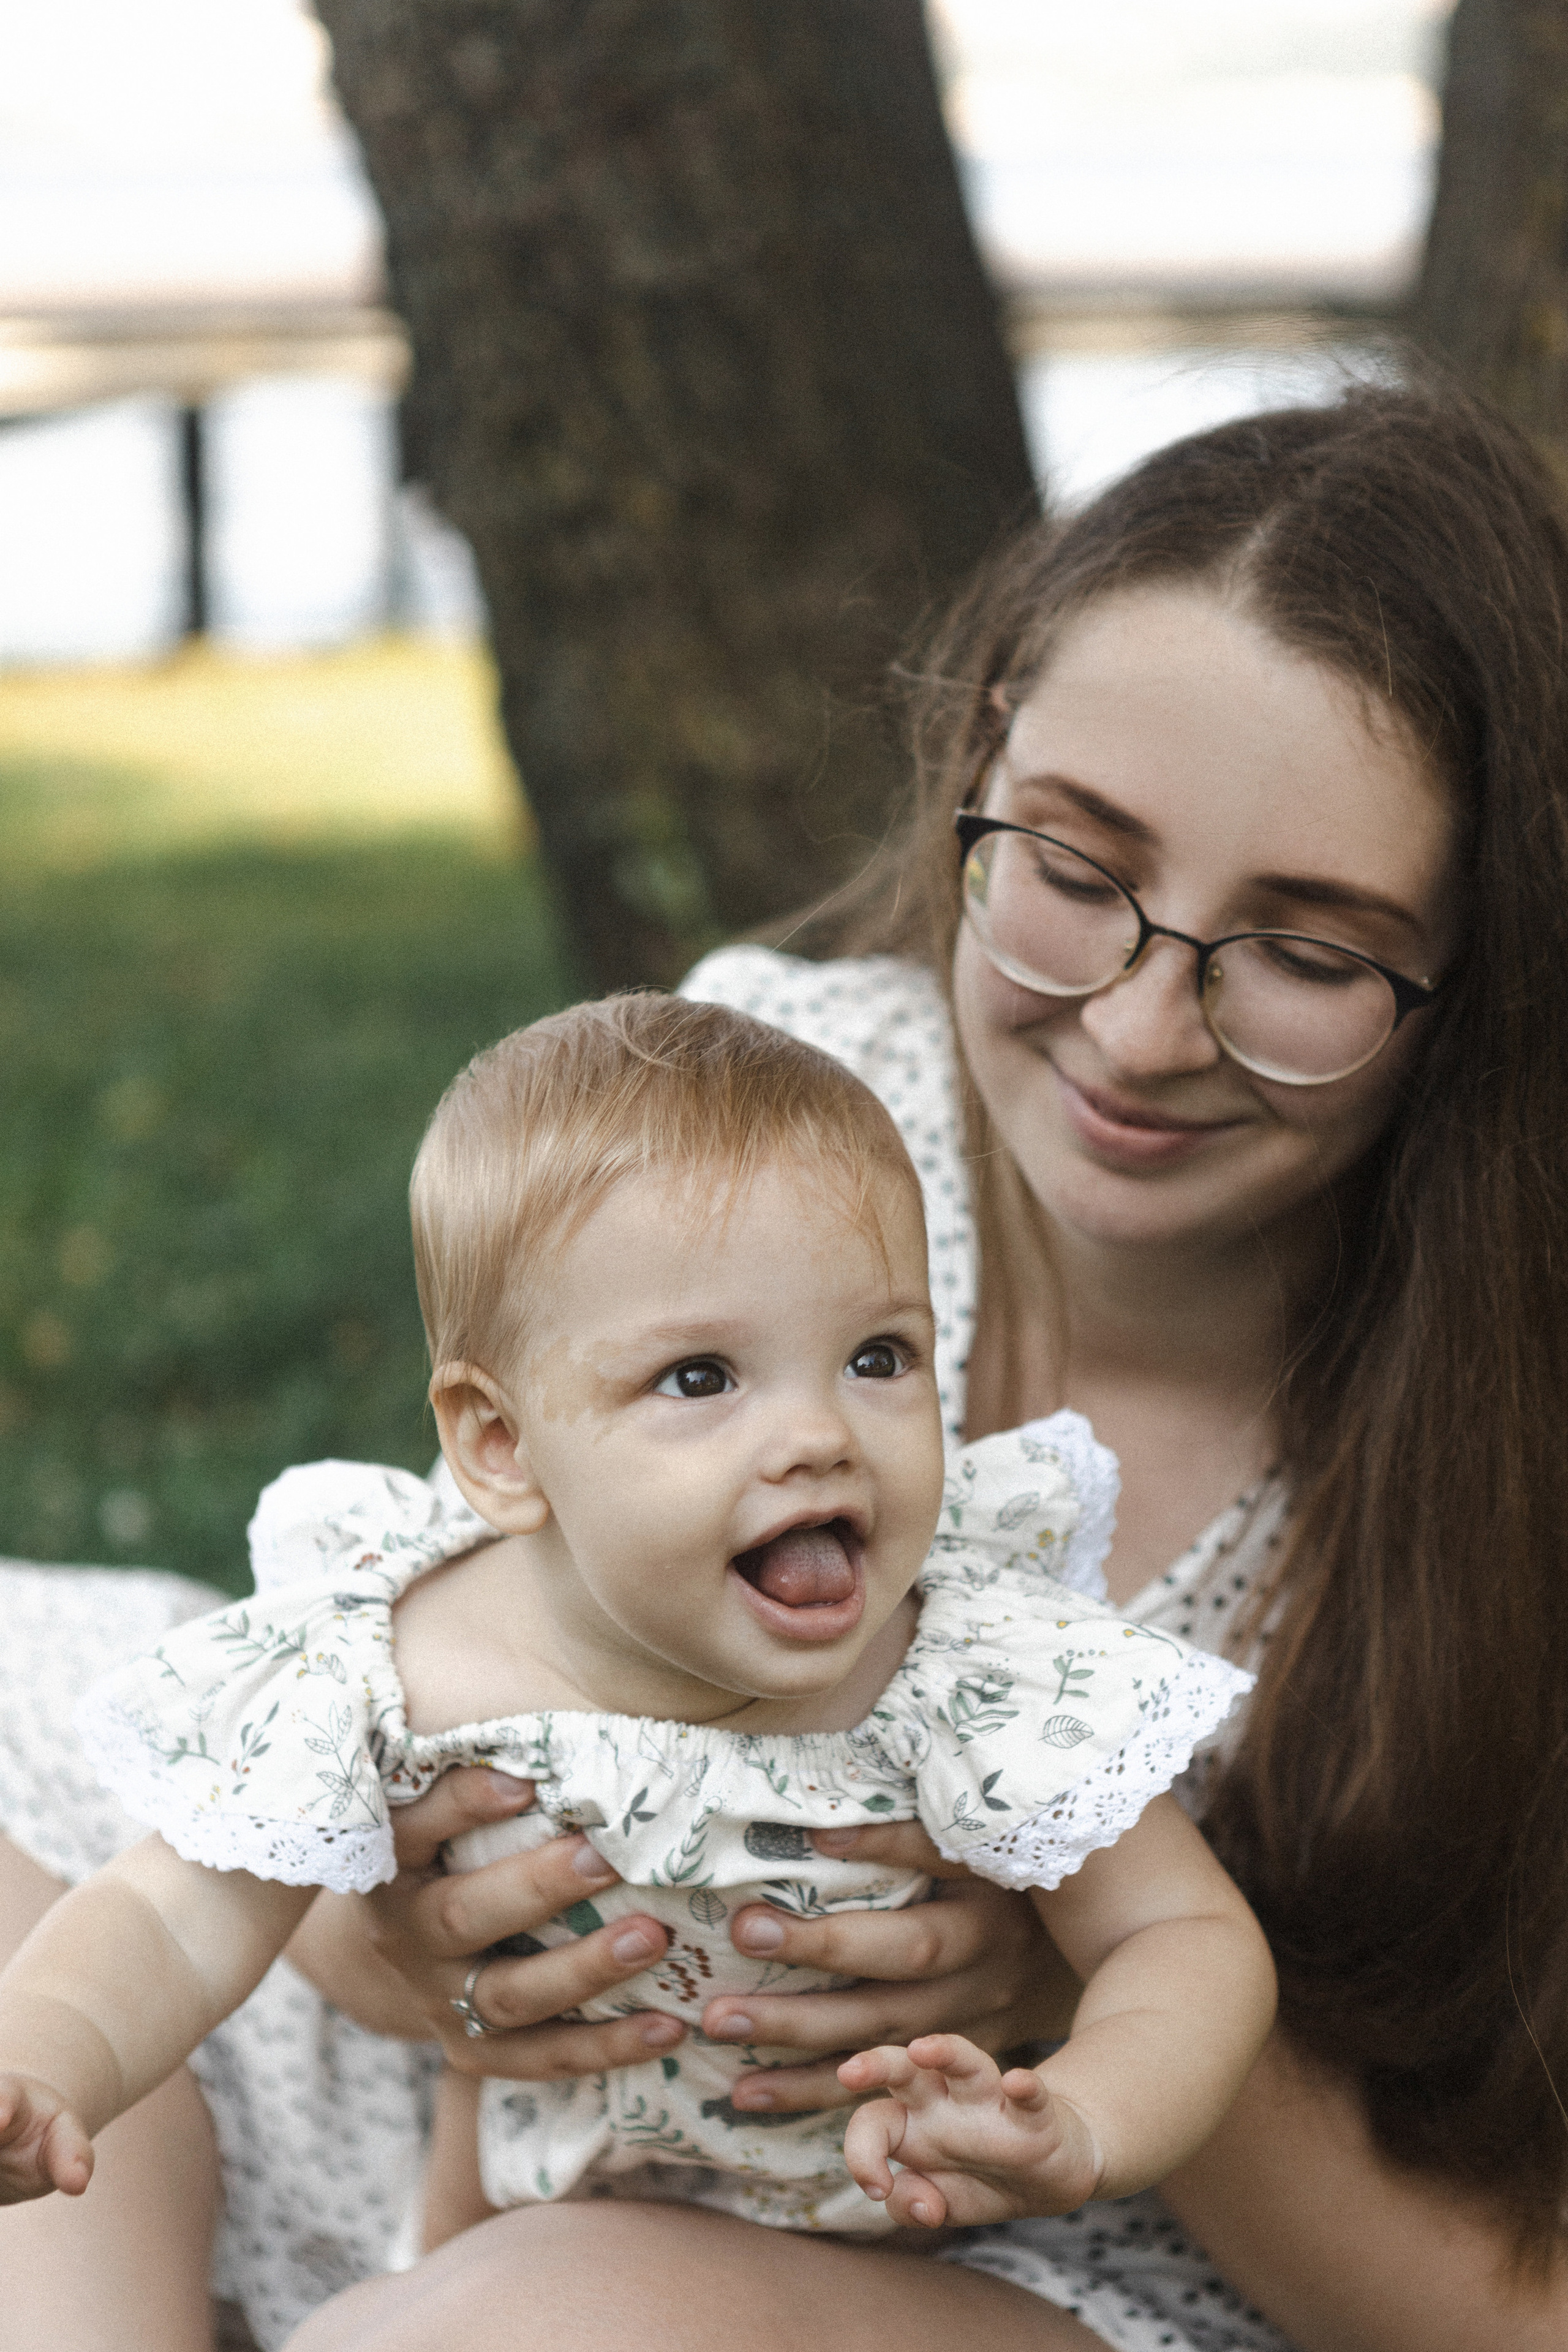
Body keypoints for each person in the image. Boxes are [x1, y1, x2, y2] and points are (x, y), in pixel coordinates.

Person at [2, 380, 1566, 2351]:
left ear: (1483, 980)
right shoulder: (811, 1097)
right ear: (982, 748)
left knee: (534, 2320)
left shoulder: (1459, 1473)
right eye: (1078, 870)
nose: (1145, 1029)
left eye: (1310, 954)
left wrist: (1053, 2011)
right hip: (468, 2113)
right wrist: (379, 1932)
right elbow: (395, 1676)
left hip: (998, 2260)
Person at [0, 996, 1270, 2252]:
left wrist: (1081, 2118)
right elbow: (171, 1916)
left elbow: (1184, 1937)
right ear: (500, 1447)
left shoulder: (963, 1673)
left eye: (876, 1356)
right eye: (700, 1379)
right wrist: (46, 2064)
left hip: (871, 2258)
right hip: (493, 2219)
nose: (820, 1434)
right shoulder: (401, 1666)